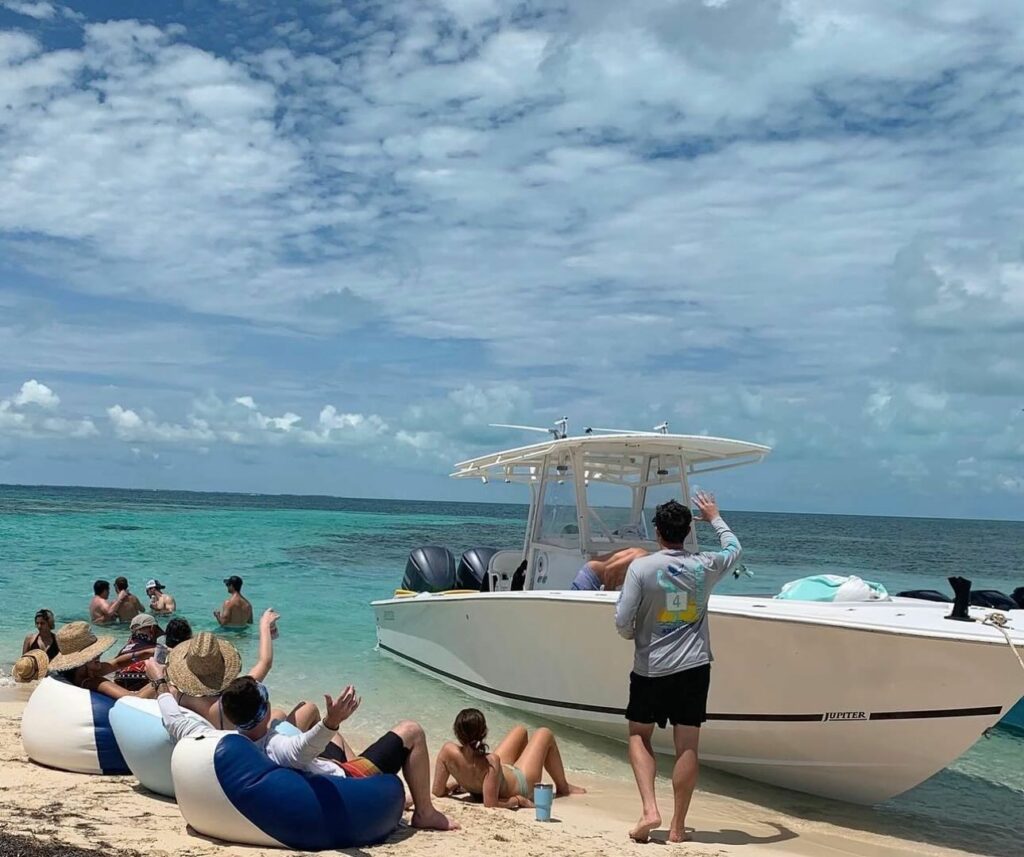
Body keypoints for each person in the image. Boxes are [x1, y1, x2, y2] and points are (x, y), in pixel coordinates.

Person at [146, 665, 458, 832]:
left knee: (334, 741)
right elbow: (301, 749)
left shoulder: (219, 738)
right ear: (265, 710)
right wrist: (331, 721)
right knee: (411, 731)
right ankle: (425, 812)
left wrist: (161, 683)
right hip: (343, 778)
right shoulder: (276, 747)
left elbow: (175, 720)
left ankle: (399, 794)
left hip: (317, 766)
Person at [614, 491, 742, 843]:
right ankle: (677, 827)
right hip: (694, 667)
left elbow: (623, 619)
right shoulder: (706, 565)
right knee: (687, 746)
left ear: (657, 531)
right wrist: (714, 517)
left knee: (639, 735)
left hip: (651, 668)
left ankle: (649, 810)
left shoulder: (642, 567)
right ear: (688, 531)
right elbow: (734, 548)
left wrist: (632, 635)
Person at [164, 611, 317, 731]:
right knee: (308, 707)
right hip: (246, 750)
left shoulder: (175, 694)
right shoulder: (230, 698)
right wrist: (264, 625)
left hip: (209, 743)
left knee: (279, 714)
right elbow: (265, 662)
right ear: (223, 666)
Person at [433, 708, 584, 809]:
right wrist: (518, 800)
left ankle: (527, 761)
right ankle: (563, 787)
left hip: (499, 776)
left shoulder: (447, 752)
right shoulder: (490, 762)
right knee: (545, 733)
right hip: (521, 783)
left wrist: (458, 784)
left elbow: (438, 791)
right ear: (484, 732)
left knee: (520, 730)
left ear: (457, 732)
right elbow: (490, 804)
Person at [47, 621, 158, 700]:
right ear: (82, 660)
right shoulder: (91, 682)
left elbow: (117, 663)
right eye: (93, 653)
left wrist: (146, 652)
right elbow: (134, 699)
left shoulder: (77, 674)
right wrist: (161, 678)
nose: (99, 654)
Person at [113, 614, 163, 690]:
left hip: (119, 683)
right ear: (152, 629)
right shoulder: (155, 648)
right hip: (144, 685)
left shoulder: (123, 650)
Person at [571, 547, 649, 591]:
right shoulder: (641, 557)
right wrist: (608, 594)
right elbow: (610, 571)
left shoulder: (643, 559)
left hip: (595, 576)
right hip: (591, 577)